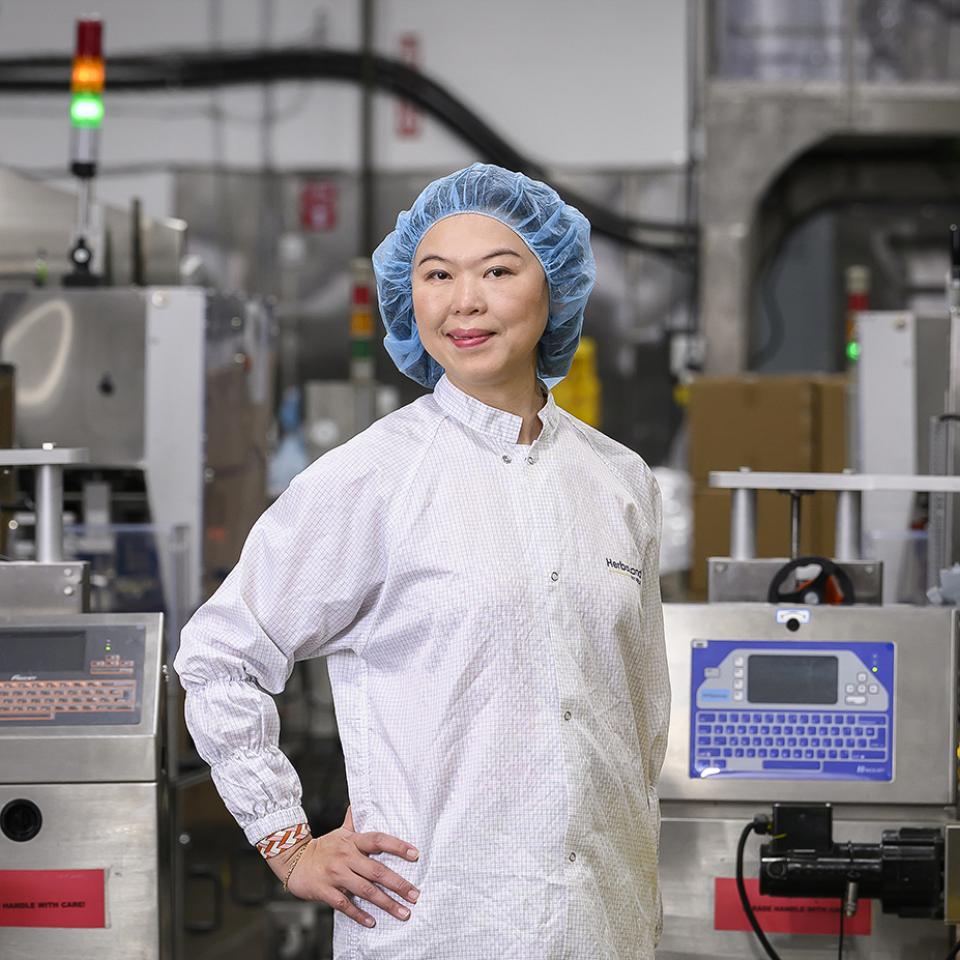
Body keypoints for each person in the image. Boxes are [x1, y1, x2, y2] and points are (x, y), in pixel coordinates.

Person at [174, 163, 670, 959]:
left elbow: (641, 722)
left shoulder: (619, 481)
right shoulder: (371, 478)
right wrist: (287, 841)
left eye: (498, 271)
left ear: (556, 290)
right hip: (441, 922)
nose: (463, 302)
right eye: (435, 275)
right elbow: (219, 656)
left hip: (602, 925)